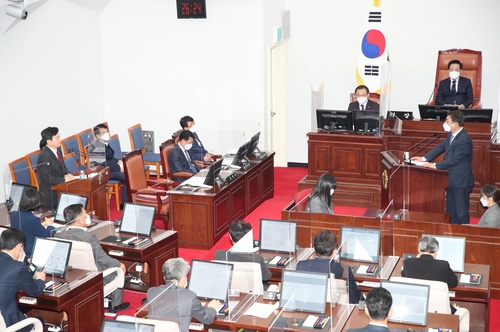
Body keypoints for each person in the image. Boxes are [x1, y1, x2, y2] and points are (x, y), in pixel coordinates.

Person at [54, 204, 129, 312]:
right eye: (85, 214)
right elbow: (102, 258)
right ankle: (116, 305)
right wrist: (119, 264)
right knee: (118, 271)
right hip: (93, 275)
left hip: (72, 274)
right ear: (79, 219)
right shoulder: (89, 237)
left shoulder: (58, 234)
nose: (88, 216)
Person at [411, 111, 474, 224]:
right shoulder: (452, 134)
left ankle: (464, 233)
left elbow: (454, 160)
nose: (444, 123)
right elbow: (442, 146)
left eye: (447, 121)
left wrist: (434, 165)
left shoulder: (464, 140)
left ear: (455, 124)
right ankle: (452, 232)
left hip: (461, 181)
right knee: (451, 210)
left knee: (461, 212)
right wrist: (424, 158)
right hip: (450, 179)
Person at [147, 258, 220, 332]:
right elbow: (207, 319)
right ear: (183, 279)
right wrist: (212, 308)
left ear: (164, 277)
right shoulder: (189, 296)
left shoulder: (152, 292)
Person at [296, 230, 363, 304]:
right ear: (334, 251)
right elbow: (355, 298)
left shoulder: (301, 265)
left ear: (314, 248)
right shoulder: (343, 269)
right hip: (333, 311)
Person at [0, 228, 46, 331]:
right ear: (20, 246)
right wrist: (40, 279)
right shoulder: (18, 267)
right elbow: (35, 291)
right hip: (6, 322)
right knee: (40, 322)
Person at [402, 235, 458, 313]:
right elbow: (453, 283)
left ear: (418, 249)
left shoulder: (409, 262)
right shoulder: (443, 265)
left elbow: (404, 275)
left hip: (414, 309)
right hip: (438, 312)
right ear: (436, 251)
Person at [214, 220, 272, 286]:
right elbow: (266, 277)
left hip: (229, 293)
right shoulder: (256, 258)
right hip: (251, 294)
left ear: (230, 236)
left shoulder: (219, 255)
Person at [88, 123, 128, 206]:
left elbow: (110, 157)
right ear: (98, 136)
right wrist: (118, 168)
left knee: (128, 172)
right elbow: (103, 164)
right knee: (127, 177)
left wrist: (118, 161)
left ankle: (128, 198)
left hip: (110, 168)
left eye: (107, 132)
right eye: (103, 133)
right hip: (103, 172)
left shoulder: (105, 143)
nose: (106, 134)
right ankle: (124, 203)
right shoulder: (97, 146)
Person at [36, 127, 75, 210]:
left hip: (61, 190)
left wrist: (69, 174)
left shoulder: (58, 151)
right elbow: (46, 178)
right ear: (49, 141)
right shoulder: (44, 156)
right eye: (57, 138)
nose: (60, 140)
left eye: (59, 137)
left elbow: (63, 167)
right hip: (50, 195)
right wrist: (64, 179)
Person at [10, 189, 56, 257]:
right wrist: (50, 225)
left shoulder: (14, 214)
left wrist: (43, 224)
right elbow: (47, 234)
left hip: (15, 249)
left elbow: (26, 227)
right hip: (29, 253)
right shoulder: (33, 219)